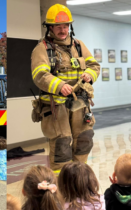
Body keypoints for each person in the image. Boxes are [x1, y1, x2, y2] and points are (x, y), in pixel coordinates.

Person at [31, 4, 100, 175]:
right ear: (50, 28)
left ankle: (79, 177)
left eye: (66, 26)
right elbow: (39, 75)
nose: (63, 30)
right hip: (56, 107)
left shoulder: (79, 46)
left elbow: (94, 66)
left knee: (84, 139)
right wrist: (60, 86)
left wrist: (90, 75)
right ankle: (61, 183)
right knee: (62, 144)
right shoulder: (42, 49)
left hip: (79, 104)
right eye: (58, 26)